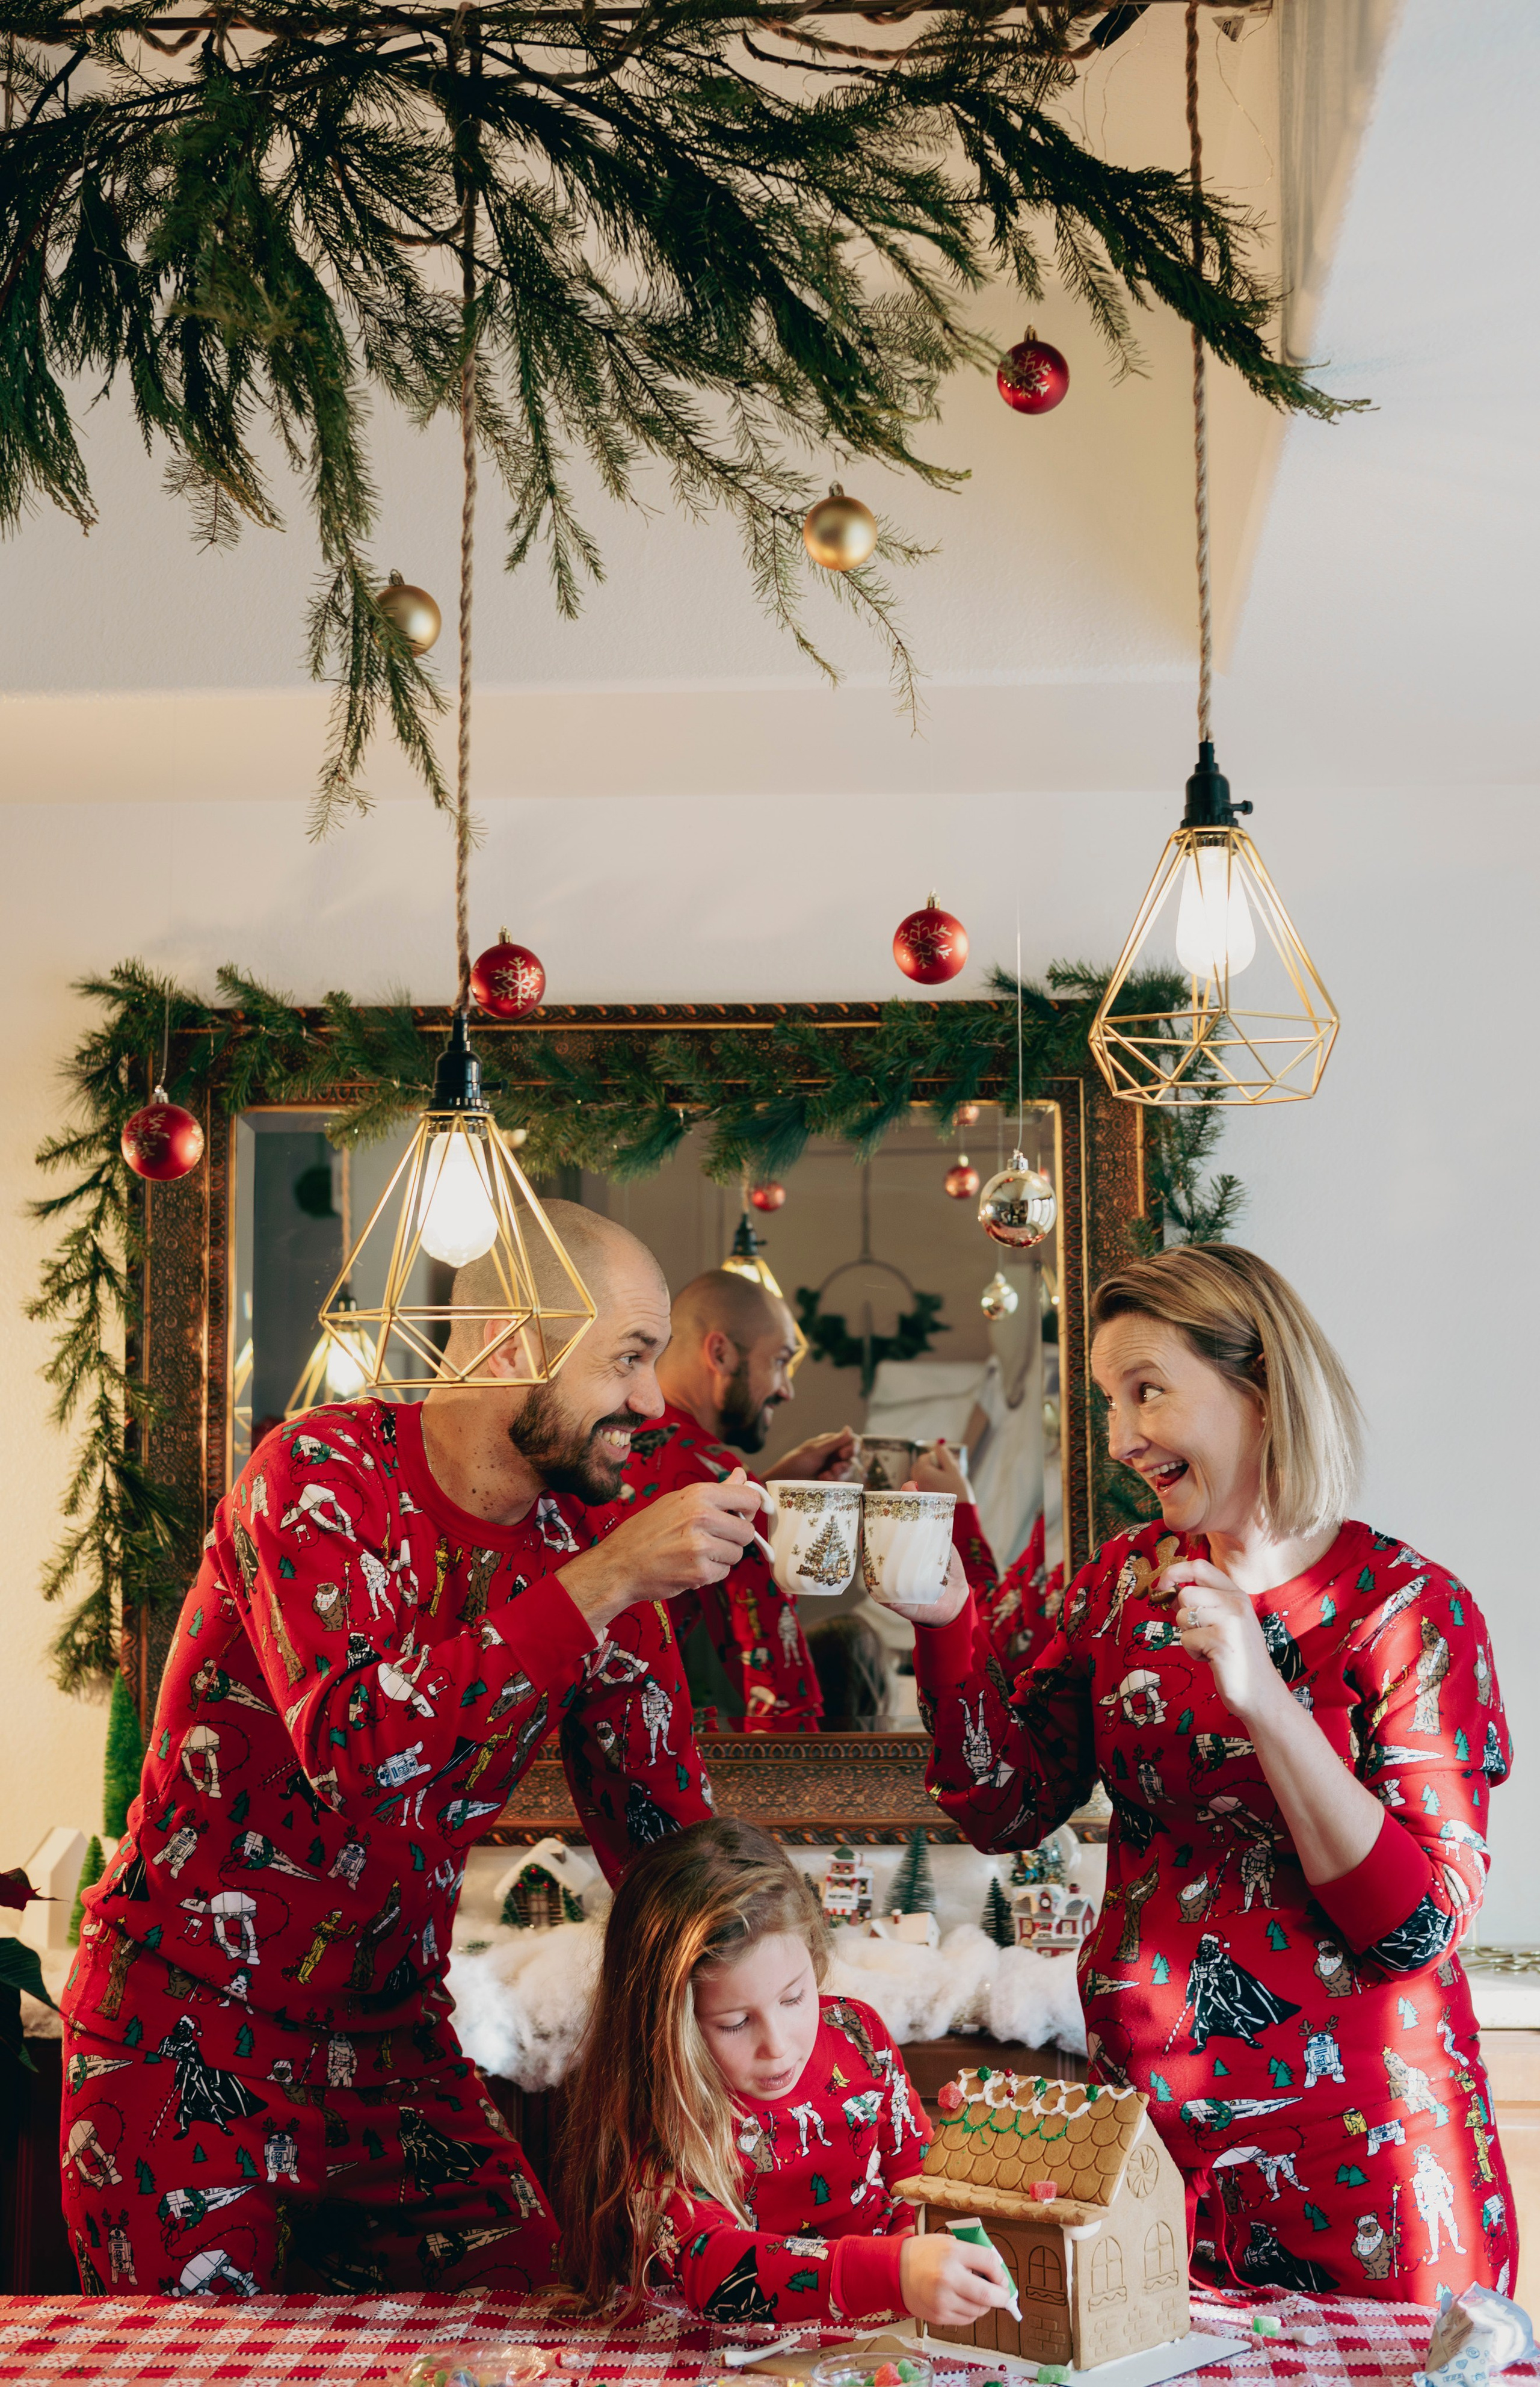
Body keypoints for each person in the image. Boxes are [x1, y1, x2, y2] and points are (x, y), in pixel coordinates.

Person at [58, 1202, 756, 2298]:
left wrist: (794, 1996)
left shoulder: (586, 1541)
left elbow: (671, 1848)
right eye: (626, 1357)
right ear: (513, 1342)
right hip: (183, 2027)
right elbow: (355, 1753)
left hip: (396, 2047)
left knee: (533, 2325)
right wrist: (611, 1579)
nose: (650, 1401)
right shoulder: (317, 1476)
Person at [886, 1244, 1516, 2305]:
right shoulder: (1121, 1586)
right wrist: (950, 1626)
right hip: (1149, 2172)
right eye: (1107, 1398)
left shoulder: (1407, 1611)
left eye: (1148, 1391)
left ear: (1259, 1389)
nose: (1122, 1435)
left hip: (1368, 2178)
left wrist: (1263, 1694)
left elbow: (1415, 1928)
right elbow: (1009, 1804)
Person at [554, 1817, 1016, 2328]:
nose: (777, 2045)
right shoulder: (662, 2108)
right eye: (734, 2022)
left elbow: (920, 2178)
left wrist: (928, 2250)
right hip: (737, 2352)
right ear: (664, 2027)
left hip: (891, 2331)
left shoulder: (859, 2036)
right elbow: (714, 2267)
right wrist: (895, 2271)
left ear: (814, 1956)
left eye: (795, 1997)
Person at [620, 1269, 857, 1731]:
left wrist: (766, 1485)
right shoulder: (706, 1468)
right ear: (721, 1353)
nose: (787, 1388)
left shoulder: (612, 1443)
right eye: (781, 1361)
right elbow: (777, 1685)